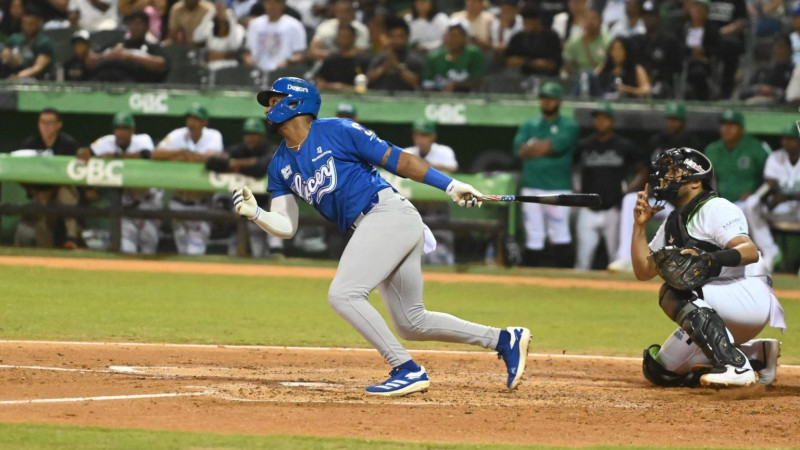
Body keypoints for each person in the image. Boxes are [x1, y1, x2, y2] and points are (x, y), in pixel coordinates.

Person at [232, 77, 531, 396]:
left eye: (275, 101)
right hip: (376, 226)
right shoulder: (280, 163)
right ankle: (504, 339)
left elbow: (401, 160)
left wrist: (450, 185)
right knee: (411, 322)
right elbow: (287, 226)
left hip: (387, 214)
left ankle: (407, 369)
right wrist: (256, 214)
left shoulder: (338, 130)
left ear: (296, 103)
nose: (268, 108)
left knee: (344, 294)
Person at [632, 147, 784, 388]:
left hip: (747, 295)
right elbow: (643, 271)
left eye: (675, 170)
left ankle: (735, 366)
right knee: (660, 372)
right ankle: (758, 355)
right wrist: (639, 227)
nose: (667, 176)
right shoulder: (674, 220)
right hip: (717, 304)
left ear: (695, 182)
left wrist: (709, 259)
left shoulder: (716, 208)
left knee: (673, 291)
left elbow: (749, 251)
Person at [608, 102, 701, 272]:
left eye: (675, 119)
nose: (671, 123)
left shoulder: (691, 144)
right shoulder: (657, 141)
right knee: (630, 200)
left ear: (682, 121)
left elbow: (696, 175)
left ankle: (683, 263)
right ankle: (625, 257)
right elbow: (645, 170)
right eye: (669, 119)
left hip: (679, 200)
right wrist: (630, 189)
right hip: (658, 196)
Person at [511, 82, 579, 267]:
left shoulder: (569, 125)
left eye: (551, 98)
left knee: (560, 232)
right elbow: (519, 150)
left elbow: (553, 146)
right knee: (534, 233)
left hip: (558, 186)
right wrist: (542, 148)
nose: (547, 102)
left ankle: (563, 276)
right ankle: (533, 276)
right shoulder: (529, 124)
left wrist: (534, 148)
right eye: (544, 98)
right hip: (531, 184)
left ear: (559, 101)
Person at [573, 102, 647, 271]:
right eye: (597, 119)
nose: (600, 122)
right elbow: (573, 168)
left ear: (612, 121)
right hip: (587, 209)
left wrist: (629, 190)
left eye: (604, 119)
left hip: (613, 209)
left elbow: (643, 170)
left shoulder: (623, 145)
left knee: (616, 260)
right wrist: (576, 187)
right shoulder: (585, 145)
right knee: (582, 260)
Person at [78, 112, 160, 254]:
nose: (120, 133)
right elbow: (85, 152)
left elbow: (146, 156)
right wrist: (84, 154)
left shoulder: (142, 140)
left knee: (148, 251)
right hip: (125, 205)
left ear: (132, 131)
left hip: (148, 203)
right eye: (117, 129)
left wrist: (116, 157)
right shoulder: (107, 142)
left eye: (125, 129)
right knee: (127, 250)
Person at [205, 117, 284, 258]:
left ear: (262, 135)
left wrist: (235, 165)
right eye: (247, 134)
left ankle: (276, 250)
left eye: (254, 134)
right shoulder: (238, 149)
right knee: (258, 251)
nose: (250, 138)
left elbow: (261, 167)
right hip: (249, 207)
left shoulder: (270, 148)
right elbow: (212, 162)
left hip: (267, 205)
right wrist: (244, 163)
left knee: (273, 240)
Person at [153, 103, 223, 255]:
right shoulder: (178, 134)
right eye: (190, 118)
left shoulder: (213, 135)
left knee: (194, 253)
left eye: (197, 119)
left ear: (205, 122)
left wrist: (184, 157)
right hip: (177, 203)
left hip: (201, 206)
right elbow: (156, 154)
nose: (192, 122)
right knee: (182, 252)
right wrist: (180, 151)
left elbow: (213, 158)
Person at [14, 108, 82, 249]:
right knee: (42, 215)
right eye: (42, 122)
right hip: (39, 192)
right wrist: (35, 192)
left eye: (50, 123)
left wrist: (52, 191)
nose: (45, 126)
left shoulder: (68, 144)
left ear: (58, 125)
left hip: (62, 188)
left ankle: (72, 238)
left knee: (66, 194)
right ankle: (45, 252)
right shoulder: (30, 144)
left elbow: (75, 174)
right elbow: (18, 173)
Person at [743, 124, 800, 273]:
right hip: (780, 208)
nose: (786, 142)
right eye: (785, 138)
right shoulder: (775, 157)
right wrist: (766, 199)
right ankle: (770, 251)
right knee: (752, 203)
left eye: (791, 139)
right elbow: (769, 185)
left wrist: (787, 196)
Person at [402, 118, 459, 265]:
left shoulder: (444, 152)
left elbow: (452, 169)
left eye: (425, 135)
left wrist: (423, 166)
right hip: (414, 206)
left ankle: (445, 269)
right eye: (418, 135)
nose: (421, 139)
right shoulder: (407, 152)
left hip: (438, 207)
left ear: (433, 136)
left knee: (441, 243)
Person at [703, 109, 771, 208]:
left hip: (748, 203)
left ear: (742, 128)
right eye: (724, 125)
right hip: (720, 202)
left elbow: (769, 179)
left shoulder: (757, 148)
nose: (727, 129)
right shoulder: (712, 149)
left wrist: (755, 194)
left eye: (732, 125)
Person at [88, 10, 168, 83]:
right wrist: (105, 56)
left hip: (134, 84)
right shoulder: (117, 44)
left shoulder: (150, 46)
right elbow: (90, 60)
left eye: (140, 24)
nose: (136, 27)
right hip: (105, 84)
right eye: (133, 23)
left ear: (147, 27)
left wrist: (129, 55)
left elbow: (161, 64)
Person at [629, 0, 682, 98]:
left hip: (664, 87)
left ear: (658, 18)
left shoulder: (669, 42)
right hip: (641, 86)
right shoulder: (637, 41)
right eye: (645, 16)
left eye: (651, 16)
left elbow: (676, 68)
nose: (648, 19)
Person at [422, 19, 486, 92]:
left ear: (465, 38)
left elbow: (477, 81)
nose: (453, 39)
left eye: (458, 35)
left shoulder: (473, 54)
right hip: (439, 99)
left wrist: (456, 85)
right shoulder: (434, 57)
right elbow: (427, 84)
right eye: (450, 35)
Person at [366, 15, 425, 92]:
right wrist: (384, 67)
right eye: (392, 36)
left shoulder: (415, 59)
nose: (396, 40)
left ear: (407, 38)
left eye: (400, 36)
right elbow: (367, 80)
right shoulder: (380, 57)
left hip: (407, 99)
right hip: (380, 97)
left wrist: (398, 67)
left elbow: (416, 83)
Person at [244, 0, 306, 73]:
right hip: (257, 71)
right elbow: (248, 51)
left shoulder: (294, 25)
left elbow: (300, 54)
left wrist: (289, 61)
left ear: (283, 4)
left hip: (283, 72)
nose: (271, 6)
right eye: (268, 2)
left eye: (275, 3)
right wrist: (248, 59)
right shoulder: (255, 24)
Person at [504, 6, 562, 77]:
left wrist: (523, 62)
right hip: (521, 77)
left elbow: (552, 65)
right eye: (525, 21)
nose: (526, 25)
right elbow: (510, 61)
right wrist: (531, 63)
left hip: (546, 77)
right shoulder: (517, 38)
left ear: (537, 21)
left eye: (529, 21)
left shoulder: (551, 37)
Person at [0, 6, 53, 81]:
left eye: (31, 24)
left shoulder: (44, 43)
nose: (28, 27)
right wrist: (9, 58)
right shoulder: (14, 39)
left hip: (34, 80)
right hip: (11, 75)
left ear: (38, 23)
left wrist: (17, 77)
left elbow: (37, 68)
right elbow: (4, 58)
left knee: (27, 80)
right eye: (25, 23)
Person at [192, 1, 247, 72]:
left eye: (224, 9)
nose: (221, 12)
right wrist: (210, 14)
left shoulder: (238, 29)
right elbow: (196, 38)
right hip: (211, 68)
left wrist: (230, 19)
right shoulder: (210, 27)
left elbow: (234, 45)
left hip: (229, 69)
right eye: (219, 9)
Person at [738, 36, 794, 105]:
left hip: (779, 105)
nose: (779, 50)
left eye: (782, 47)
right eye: (776, 47)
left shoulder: (793, 72)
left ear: (790, 51)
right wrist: (759, 89)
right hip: (755, 101)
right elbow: (743, 92)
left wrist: (774, 92)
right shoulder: (763, 70)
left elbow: (794, 96)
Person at [315, 23, 370, 92]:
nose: (342, 39)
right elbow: (320, 83)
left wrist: (343, 87)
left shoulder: (362, 61)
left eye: (346, 36)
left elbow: (363, 87)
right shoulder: (330, 60)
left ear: (353, 38)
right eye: (340, 36)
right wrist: (334, 86)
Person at [561, 7, 609, 78]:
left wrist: (592, 76)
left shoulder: (607, 40)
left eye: (593, 18)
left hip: (601, 79)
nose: (590, 22)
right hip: (578, 78)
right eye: (587, 18)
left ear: (600, 21)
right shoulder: (574, 41)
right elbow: (567, 63)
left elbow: (608, 63)